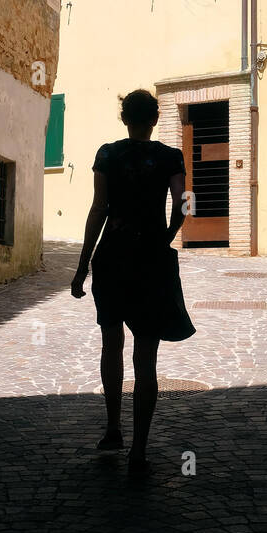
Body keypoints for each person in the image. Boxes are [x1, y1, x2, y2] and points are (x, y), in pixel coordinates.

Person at [71, 88, 195, 475]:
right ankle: (138, 449)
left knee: (112, 345)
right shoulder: (169, 157)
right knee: (146, 358)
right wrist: (168, 234)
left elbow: (98, 209)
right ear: (155, 119)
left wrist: (82, 266)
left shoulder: (107, 154)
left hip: (111, 260)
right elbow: (184, 202)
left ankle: (113, 428)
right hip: (150, 263)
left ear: (124, 119)